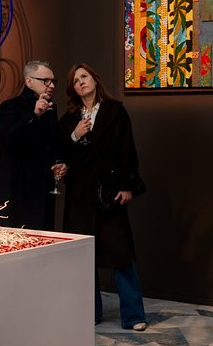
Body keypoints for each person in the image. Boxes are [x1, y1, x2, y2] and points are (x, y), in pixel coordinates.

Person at [59, 63, 147, 331]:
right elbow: (60, 151)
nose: (81, 82)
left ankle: (133, 316)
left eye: (84, 77)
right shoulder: (69, 117)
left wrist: (127, 185)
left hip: (108, 189)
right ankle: (89, 312)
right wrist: (75, 135)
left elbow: (127, 149)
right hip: (79, 191)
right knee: (83, 253)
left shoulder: (115, 111)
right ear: (73, 89)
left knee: (121, 252)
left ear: (95, 80)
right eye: (75, 81)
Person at [0, 60, 67, 230]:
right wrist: (34, 115)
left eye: (53, 81)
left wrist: (60, 161)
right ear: (29, 81)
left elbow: (52, 143)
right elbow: (8, 140)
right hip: (18, 188)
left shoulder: (51, 109)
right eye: (46, 81)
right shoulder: (9, 106)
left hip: (44, 187)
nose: (51, 86)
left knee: (44, 235)